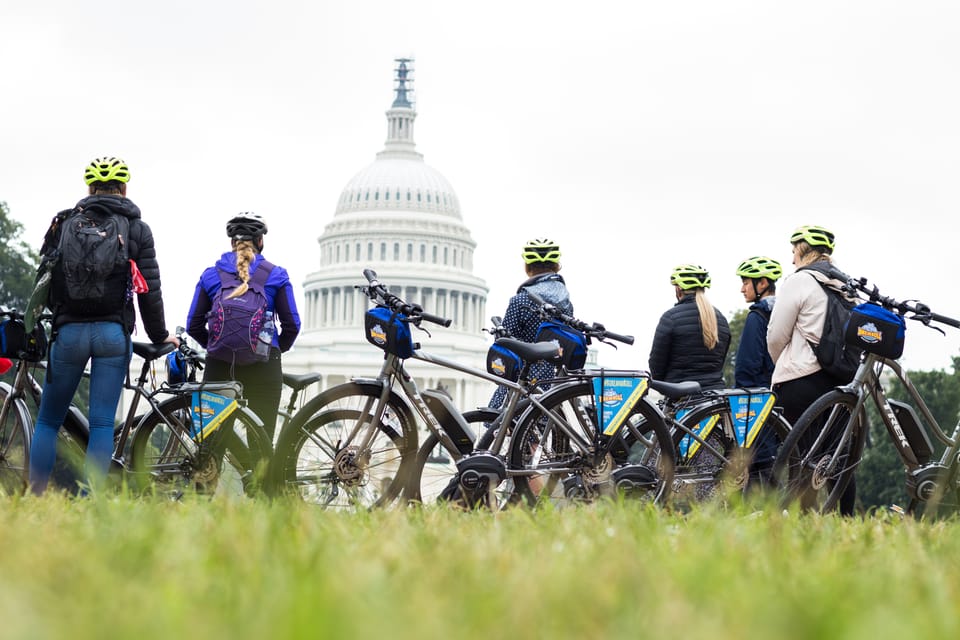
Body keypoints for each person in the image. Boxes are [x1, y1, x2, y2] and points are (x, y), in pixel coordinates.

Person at [29, 156, 178, 495]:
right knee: (100, 424)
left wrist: (57, 316)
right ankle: (90, 501)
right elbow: (149, 290)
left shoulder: (65, 224)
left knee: (49, 420)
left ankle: (35, 497)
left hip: (69, 333)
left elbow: (45, 281)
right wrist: (159, 335)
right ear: (123, 189)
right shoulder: (138, 229)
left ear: (89, 189)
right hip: (112, 334)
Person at [186, 213, 301, 440]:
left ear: (232, 243)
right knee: (261, 441)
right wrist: (274, 348)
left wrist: (216, 344)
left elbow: (193, 324)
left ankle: (207, 474)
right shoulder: (276, 275)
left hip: (219, 364)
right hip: (264, 364)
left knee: (209, 440)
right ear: (260, 242)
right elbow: (292, 325)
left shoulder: (211, 275)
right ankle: (256, 474)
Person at [767, 224, 856, 514]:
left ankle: (805, 519)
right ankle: (845, 519)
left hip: (800, 380)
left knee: (801, 456)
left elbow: (776, 335)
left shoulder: (799, 280)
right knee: (838, 455)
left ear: (803, 250)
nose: (791, 259)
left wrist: (784, 361)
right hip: (840, 380)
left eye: (793, 252)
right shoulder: (847, 285)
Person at [488, 238, 573, 410]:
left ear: (528, 268)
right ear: (556, 267)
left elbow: (506, 343)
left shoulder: (520, 300)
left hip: (523, 377)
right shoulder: (565, 302)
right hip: (552, 381)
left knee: (499, 422)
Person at [733, 255, 782, 483]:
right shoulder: (784, 312)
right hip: (781, 394)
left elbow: (746, 364)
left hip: (756, 397)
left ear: (762, 283)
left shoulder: (757, 315)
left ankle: (758, 513)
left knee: (757, 465)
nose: (742, 289)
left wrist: (740, 397)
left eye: (746, 282)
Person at [649, 264, 730, 390]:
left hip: (681, 395)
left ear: (679, 288)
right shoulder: (721, 319)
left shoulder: (670, 317)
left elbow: (656, 365)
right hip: (716, 395)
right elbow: (720, 361)